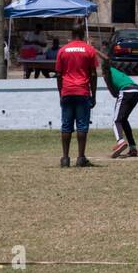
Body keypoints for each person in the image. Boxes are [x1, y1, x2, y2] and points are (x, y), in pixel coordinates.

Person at [54, 25, 99, 168]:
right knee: (82, 125)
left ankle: (65, 158)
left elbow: (59, 75)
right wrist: (94, 94)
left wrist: (61, 92)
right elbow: (93, 74)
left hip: (67, 91)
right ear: (82, 34)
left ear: (71, 34)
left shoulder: (62, 51)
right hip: (82, 92)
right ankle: (80, 157)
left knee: (66, 126)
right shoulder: (89, 50)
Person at [102, 60, 138, 158]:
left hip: (126, 91)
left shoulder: (107, 73)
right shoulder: (117, 71)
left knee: (116, 121)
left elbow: (113, 93)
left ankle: (120, 141)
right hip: (137, 91)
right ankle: (132, 148)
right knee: (123, 120)